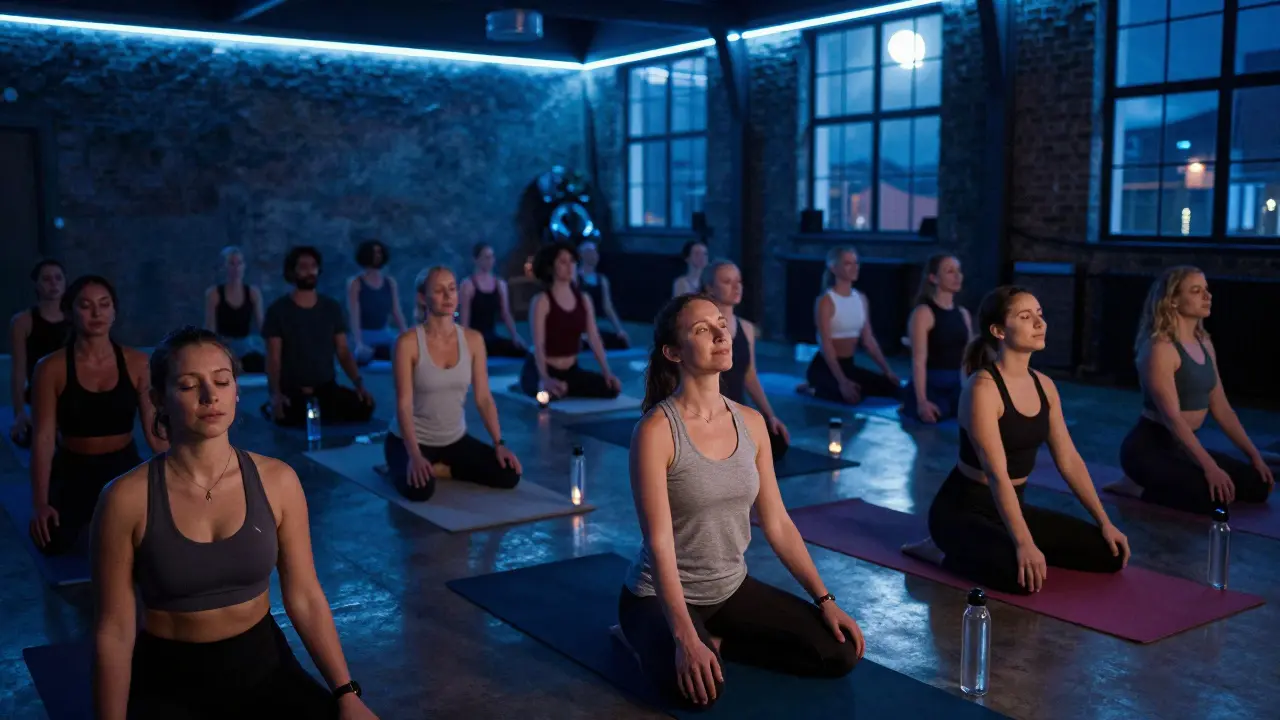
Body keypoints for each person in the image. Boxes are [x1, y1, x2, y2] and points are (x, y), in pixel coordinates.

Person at [90, 326, 378, 720]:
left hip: (263, 664)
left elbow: (305, 595)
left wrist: (346, 694)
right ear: (159, 399)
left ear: (236, 391)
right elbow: (115, 628)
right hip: (170, 679)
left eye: (222, 381)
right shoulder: (124, 498)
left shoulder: (278, 480)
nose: (211, 397)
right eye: (190, 385)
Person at [617, 294, 864, 710]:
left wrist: (826, 600)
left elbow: (778, 523)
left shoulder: (751, 424)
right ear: (673, 352)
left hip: (729, 589)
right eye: (702, 329)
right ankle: (644, 635)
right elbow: (659, 544)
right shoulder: (656, 431)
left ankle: (717, 640)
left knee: (839, 653)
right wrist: (684, 638)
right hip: (656, 596)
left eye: (720, 324)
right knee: (699, 693)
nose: (720, 334)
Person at [901, 286, 1131, 595]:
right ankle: (940, 550)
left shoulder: (1044, 386)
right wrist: (1024, 542)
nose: (1039, 323)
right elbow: (997, 474)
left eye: (1039, 314)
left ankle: (1000, 541)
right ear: (998, 330)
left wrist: (1104, 521)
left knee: (1109, 554)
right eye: (1025, 316)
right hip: (963, 509)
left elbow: (1069, 460)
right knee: (1019, 576)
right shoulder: (982, 388)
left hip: (1012, 505)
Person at [28, 276, 167, 557]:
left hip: (122, 466)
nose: (96, 313)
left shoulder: (138, 363)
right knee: (51, 542)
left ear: (114, 312)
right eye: (86, 305)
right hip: (72, 469)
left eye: (104, 305)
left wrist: (184, 478)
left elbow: (155, 433)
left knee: (149, 546)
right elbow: (43, 438)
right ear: (69, 312)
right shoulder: (50, 368)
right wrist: (40, 503)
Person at [1117, 267, 1273, 514]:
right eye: (1196, 291)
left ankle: (1177, 475)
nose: (1207, 296)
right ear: (1173, 300)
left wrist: (1254, 456)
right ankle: (1133, 486)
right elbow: (1173, 420)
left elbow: (1222, 408)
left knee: (1259, 486)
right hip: (1148, 448)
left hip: (1182, 447)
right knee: (1213, 499)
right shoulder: (1160, 348)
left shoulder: (1205, 343)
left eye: (1207, 290)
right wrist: (1210, 467)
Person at [384, 266, 522, 502]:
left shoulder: (473, 340)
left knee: (509, 475)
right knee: (421, 490)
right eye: (439, 290)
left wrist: (499, 443)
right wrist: (415, 455)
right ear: (422, 297)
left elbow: (483, 398)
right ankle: (400, 465)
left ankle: (443, 469)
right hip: (411, 442)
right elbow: (404, 405)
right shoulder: (407, 343)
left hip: (453, 439)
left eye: (452, 289)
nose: (448, 297)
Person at [264, 247, 375, 427]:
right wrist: (275, 393)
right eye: (303, 267)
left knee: (365, 406)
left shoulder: (331, 307)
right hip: (294, 389)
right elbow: (273, 358)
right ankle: (274, 407)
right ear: (292, 271)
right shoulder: (278, 310)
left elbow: (343, 351)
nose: (310, 271)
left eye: (314, 266)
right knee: (291, 417)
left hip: (326, 388)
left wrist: (359, 385)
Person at [701, 260, 791, 460]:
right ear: (710, 288)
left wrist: (770, 416)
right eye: (727, 281)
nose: (736, 287)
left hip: (737, 410)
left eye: (738, 281)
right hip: (707, 414)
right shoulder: (699, 328)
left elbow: (750, 375)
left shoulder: (747, 329)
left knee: (778, 442)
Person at [519, 242, 622, 400]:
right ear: (551, 266)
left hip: (570, 370)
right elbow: (538, 344)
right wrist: (544, 377)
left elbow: (594, 338)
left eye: (572, 261)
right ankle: (546, 385)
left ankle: (566, 386)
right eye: (563, 262)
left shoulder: (584, 299)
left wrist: (607, 372)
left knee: (611, 390)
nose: (569, 266)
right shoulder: (542, 301)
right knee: (547, 394)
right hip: (543, 367)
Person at [803, 246, 901, 405]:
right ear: (834, 268)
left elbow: (869, 341)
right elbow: (826, 344)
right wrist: (842, 381)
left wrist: (887, 371)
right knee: (853, 397)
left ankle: (831, 386)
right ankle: (813, 388)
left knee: (894, 389)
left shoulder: (861, 298)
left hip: (848, 365)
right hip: (825, 368)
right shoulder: (825, 301)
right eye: (848, 263)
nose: (855, 267)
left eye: (856, 263)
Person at [8, 259, 70, 449]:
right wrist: (19, 412)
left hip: (74, 393)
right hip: (41, 395)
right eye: (47, 279)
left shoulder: (76, 317)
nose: (54, 283)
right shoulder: (23, 321)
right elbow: (18, 370)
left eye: (58, 278)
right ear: (37, 284)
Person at [904, 254, 971, 423]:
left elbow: (969, 357)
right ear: (934, 278)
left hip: (956, 383)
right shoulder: (923, 313)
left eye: (959, 271)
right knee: (938, 412)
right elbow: (918, 361)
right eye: (950, 271)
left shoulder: (963, 314)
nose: (957, 276)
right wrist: (922, 401)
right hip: (931, 383)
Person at [459, 242, 528, 358]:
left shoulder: (500, 284)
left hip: (491, 338)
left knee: (523, 353)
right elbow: (464, 320)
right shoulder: (468, 285)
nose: (490, 260)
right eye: (486, 257)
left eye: (491, 257)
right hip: (474, 338)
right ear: (476, 260)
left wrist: (515, 336)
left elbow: (506, 313)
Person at [204, 246, 266, 373]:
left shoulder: (253, 293)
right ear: (224, 267)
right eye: (232, 264)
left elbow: (262, 327)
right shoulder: (214, 294)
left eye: (239, 263)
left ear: (244, 266)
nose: (236, 268)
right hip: (223, 346)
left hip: (247, 346)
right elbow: (210, 329)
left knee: (256, 360)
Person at [346, 240, 407, 367]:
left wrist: (405, 333)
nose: (377, 256)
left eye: (379, 252)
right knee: (363, 356)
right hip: (364, 335)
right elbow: (354, 315)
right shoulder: (356, 284)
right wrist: (358, 343)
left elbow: (396, 310)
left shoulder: (390, 283)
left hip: (384, 334)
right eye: (374, 253)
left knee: (404, 352)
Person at [576, 240, 630, 350]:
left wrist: (619, 330)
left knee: (621, 342)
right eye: (590, 252)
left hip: (593, 328)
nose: (594, 255)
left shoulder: (602, 280)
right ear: (582, 255)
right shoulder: (575, 278)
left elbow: (608, 307)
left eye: (595, 252)